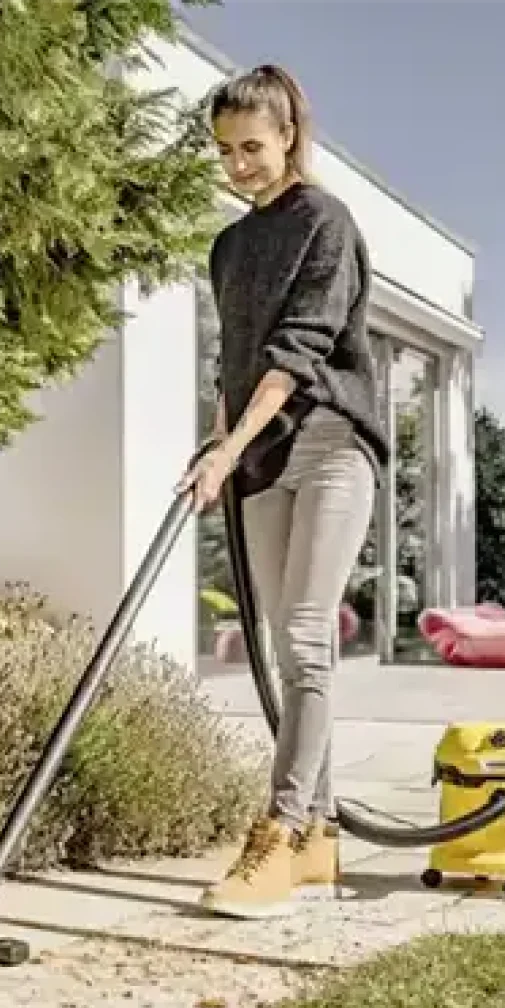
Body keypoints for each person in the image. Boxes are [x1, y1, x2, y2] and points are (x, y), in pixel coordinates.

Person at [177, 64, 389, 918]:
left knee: (306, 640)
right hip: (262, 454)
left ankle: (279, 829)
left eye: (253, 148)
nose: (239, 165)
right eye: (225, 151)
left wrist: (229, 449)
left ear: (291, 135)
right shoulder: (230, 245)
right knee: (278, 645)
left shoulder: (326, 224)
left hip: (332, 446)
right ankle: (320, 842)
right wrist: (220, 442)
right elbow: (236, 359)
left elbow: (296, 353)